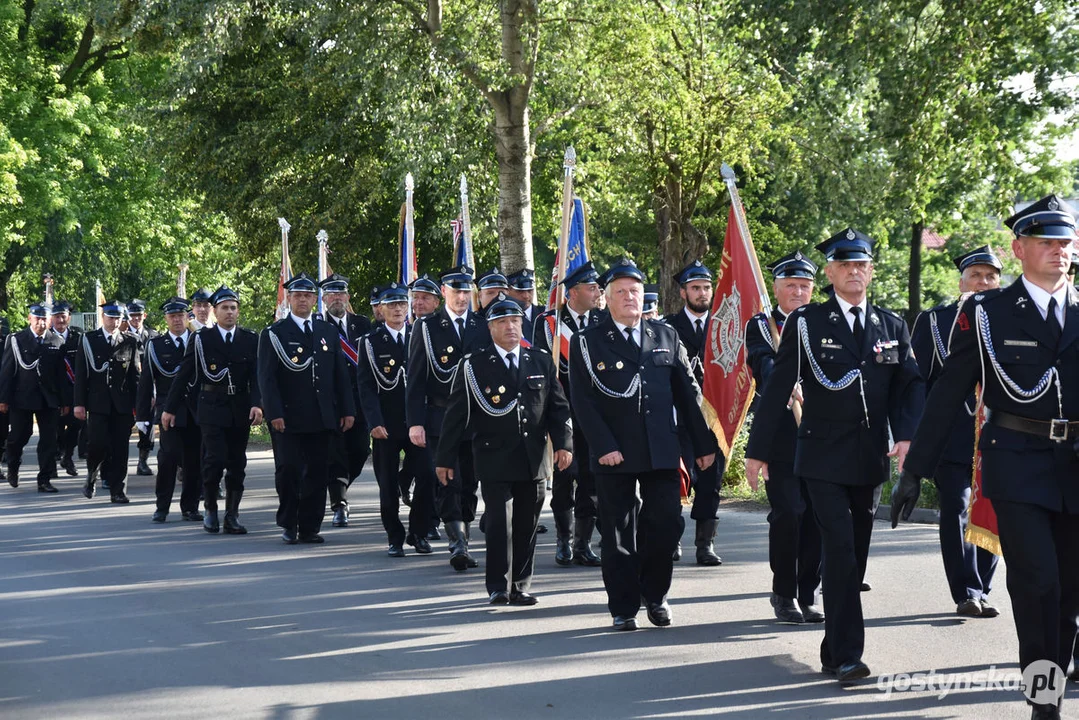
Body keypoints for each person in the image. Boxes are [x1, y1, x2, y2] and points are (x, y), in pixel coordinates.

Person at [893, 195, 1079, 720]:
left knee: (1068, 593)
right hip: (1016, 461)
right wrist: (914, 470)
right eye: (1046, 242)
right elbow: (948, 391)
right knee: (1035, 581)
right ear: (1019, 249)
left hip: (1076, 465)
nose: (1058, 252)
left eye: (1064, 242)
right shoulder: (988, 312)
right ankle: (1044, 703)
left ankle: (1051, 687)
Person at [745, 229, 924, 682]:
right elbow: (779, 386)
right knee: (841, 549)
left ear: (871, 271)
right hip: (821, 457)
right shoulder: (808, 323)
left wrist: (906, 436)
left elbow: (910, 386)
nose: (855, 272)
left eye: (862, 265)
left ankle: (832, 650)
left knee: (855, 556)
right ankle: (848, 654)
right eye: (846, 265)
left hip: (868, 459)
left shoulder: (891, 325)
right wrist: (759, 450)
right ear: (830, 272)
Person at [570, 258, 717, 631]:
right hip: (614, 451)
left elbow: (686, 395)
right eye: (620, 292)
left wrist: (703, 445)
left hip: (660, 448)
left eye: (635, 291)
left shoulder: (665, 336)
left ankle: (655, 594)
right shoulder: (587, 342)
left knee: (666, 523)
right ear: (607, 298)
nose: (630, 297)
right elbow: (583, 402)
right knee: (617, 532)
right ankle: (622, 605)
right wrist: (603, 445)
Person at [436, 293, 573, 604]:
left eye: (515, 320)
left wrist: (564, 445)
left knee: (527, 524)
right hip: (494, 457)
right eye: (502, 321)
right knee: (500, 524)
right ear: (490, 327)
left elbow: (558, 408)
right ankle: (499, 585)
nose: (511, 326)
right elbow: (456, 415)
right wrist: (444, 459)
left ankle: (521, 585)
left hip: (533, 458)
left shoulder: (539, 360)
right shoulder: (474, 365)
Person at [909, 245, 1002, 618]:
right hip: (952, 436)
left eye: (990, 276)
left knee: (993, 511)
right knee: (957, 508)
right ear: (961, 280)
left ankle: (982, 587)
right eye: (975, 275)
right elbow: (919, 383)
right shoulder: (936, 320)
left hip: (999, 438)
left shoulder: (1013, 318)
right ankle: (964, 591)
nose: (983, 282)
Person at [744, 251, 823, 624]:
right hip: (780, 434)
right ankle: (784, 592)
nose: (797, 291)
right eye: (790, 285)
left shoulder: (825, 321)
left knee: (818, 517)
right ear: (775, 288)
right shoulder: (762, 324)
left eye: (804, 286)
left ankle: (809, 592)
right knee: (789, 512)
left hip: (822, 433)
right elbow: (761, 362)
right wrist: (784, 374)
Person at [260, 273, 355, 544]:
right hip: (288, 416)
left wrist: (347, 409)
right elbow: (267, 378)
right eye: (297, 295)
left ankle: (310, 526)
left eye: (308, 295)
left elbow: (339, 375)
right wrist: (274, 412)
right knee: (288, 470)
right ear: (289, 299)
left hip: (322, 415)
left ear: (315, 299)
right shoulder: (275, 334)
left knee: (317, 472)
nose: (303, 300)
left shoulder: (326, 331)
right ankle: (289, 522)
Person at [407, 264, 491, 570]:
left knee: (469, 482)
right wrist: (415, 422)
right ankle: (457, 544)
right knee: (446, 479)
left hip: (476, 417)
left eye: (467, 291)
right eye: (457, 291)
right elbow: (415, 378)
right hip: (440, 416)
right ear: (444, 293)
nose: (463, 297)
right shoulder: (427, 327)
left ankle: (464, 537)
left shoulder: (482, 325)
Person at [162, 286, 262, 534]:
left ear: (238, 311)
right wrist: (169, 408)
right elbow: (184, 374)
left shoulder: (249, 339)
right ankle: (210, 509)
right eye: (224, 308)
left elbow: (256, 377)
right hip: (211, 407)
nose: (229, 312)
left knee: (237, 462)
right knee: (213, 459)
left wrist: (258, 404)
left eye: (233, 308)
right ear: (215, 311)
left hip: (239, 408)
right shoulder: (201, 339)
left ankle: (232, 514)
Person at [534, 261, 605, 567]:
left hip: (597, 412)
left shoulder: (603, 320)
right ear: (572, 292)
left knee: (591, 479)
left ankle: (583, 543)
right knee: (565, 477)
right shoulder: (548, 323)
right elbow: (542, 369)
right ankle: (564, 539)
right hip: (563, 412)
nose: (597, 293)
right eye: (591, 288)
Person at [357, 283, 431, 556]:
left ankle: (419, 532)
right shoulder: (370, 342)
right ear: (381, 310)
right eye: (392, 305)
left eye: (402, 304)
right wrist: (373, 422)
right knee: (387, 485)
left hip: (418, 424)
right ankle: (394, 536)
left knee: (426, 476)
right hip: (386, 424)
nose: (398, 310)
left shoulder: (420, 336)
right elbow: (366, 386)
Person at [663, 259, 723, 566]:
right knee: (677, 480)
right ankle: (672, 538)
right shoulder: (668, 327)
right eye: (696, 288)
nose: (702, 293)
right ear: (684, 293)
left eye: (706, 287)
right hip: (680, 418)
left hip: (715, 418)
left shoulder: (724, 326)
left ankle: (705, 543)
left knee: (710, 482)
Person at [137, 297, 202, 523]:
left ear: (187, 317)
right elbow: (146, 383)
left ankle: (190, 506)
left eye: (181, 315)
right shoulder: (156, 345)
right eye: (172, 316)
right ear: (166, 319)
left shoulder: (199, 341)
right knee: (168, 459)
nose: (177, 320)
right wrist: (142, 416)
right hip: (169, 413)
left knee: (195, 461)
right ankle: (162, 506)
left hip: (195, 411)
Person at [318, 273, 372, 527]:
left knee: (361, 450)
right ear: (324, 299)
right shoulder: (318, 326)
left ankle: (335, 486)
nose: (336, 298)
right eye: (331, 294)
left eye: (341, 294)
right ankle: (339, 503)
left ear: (348, 297)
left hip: (360, 399)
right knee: (335, 453)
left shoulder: (362, 325)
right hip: (332, 401)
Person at [74, 300, 141, 503]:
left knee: (121, 449)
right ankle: (92, 475)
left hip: (121, 405)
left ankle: (118, 490)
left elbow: (134, 377)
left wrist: (139, 405)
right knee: (97, 445)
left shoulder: (129, 341)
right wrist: (79, 403)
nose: (114, 321)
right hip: (98, 404)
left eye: (118, 318)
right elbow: (81, 374)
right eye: (111, 317)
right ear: (103, 317)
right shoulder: (89, 340)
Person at [0, 303, 68, 492]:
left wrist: (65, 401)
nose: (41, 322)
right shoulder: (16, 340)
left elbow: (61, 375)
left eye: (44, 318)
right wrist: (3, 399)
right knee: (19, 435)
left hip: (48, 399)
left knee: (49, 439)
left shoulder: (56, 341)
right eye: (37, 318)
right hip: (22, 397)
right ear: (29, 319)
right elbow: (7, 372)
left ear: (49, 320)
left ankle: (44, 479)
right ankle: (13, 465)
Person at [48, 301, 82, 478]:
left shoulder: (78, 336)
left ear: (69, 317)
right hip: (53, 392)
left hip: (74, 391)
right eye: (57, 316)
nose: (60, 319)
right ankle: (53, 463)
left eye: (63, 316)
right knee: (55, 429)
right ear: (51, 318)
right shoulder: (45, 337)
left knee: (77, 424)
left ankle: (68, 455)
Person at [127, 300, 159, 476]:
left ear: (144, 316)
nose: (136, 319)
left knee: (147, 425)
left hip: (148, 389)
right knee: (124, 425)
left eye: (139, 315)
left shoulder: (153, 336)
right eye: (132, 315)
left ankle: (143, 461)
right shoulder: (122, 336)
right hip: (129, 388)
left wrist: (155, 389)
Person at [506, 269, 546, 344]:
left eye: (530, 290)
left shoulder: (545, 313)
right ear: (508, 291)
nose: (526, 296)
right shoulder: (504, 317)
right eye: (520, 291)